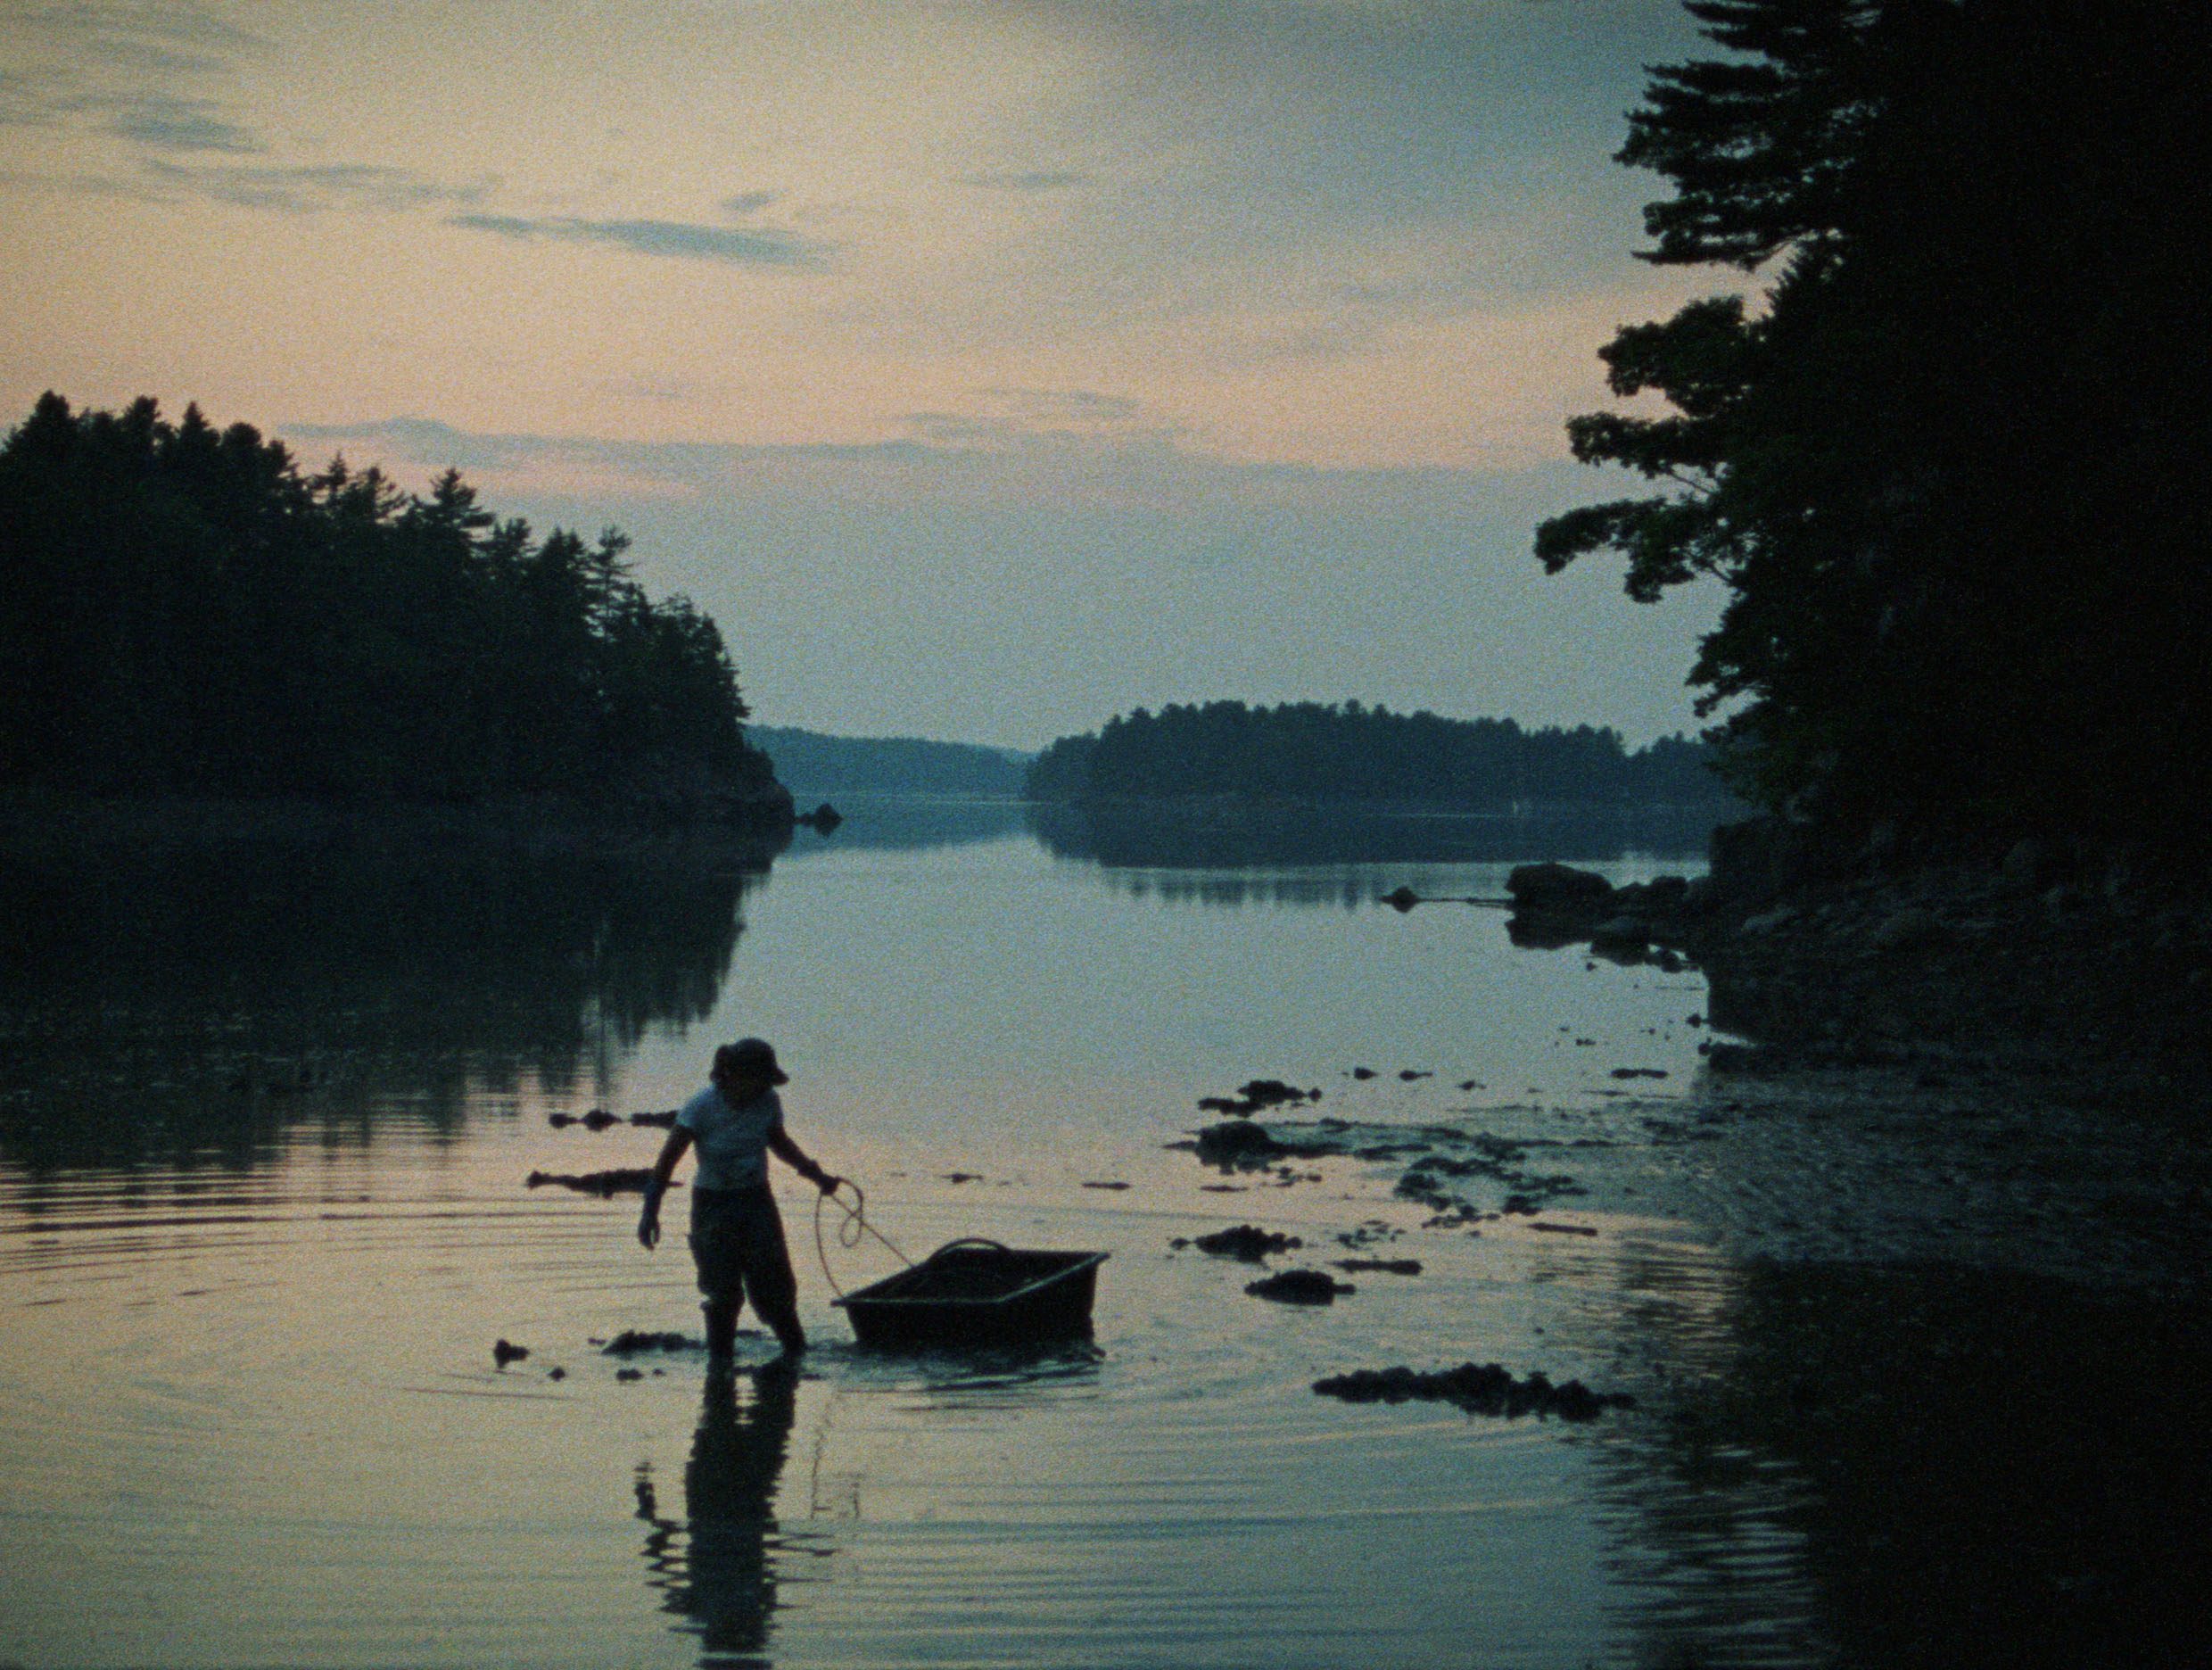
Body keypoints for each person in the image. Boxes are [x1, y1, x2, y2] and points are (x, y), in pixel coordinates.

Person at [638, 1038, 839, 1361]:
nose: (762, 1087)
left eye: (766, 1081)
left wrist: (817, 1176)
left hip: (756, 1201)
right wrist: (650, 1212)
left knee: (775, 1288)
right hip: (712, 1205)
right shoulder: (701, 1107)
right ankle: (720, 1366)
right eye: (758, 1079)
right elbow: (667, 1161)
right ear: (732, 1076)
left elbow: (779, 1142)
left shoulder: (768, 1102)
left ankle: (795, 1354)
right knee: (722, 1292)